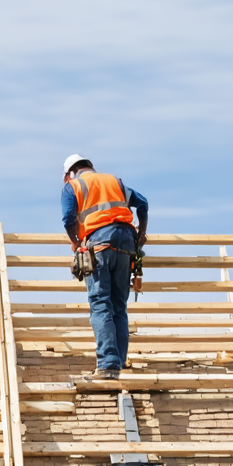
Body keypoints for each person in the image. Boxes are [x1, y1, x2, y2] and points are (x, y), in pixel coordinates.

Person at [61, 155, 149, 379]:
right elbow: (143, 203)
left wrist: (77, 243)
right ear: (90, 167)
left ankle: (108, 365)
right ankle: (118, 362)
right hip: (126, 244)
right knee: (119, 305)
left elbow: (68, 219)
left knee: (101, 304)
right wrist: (140, 235)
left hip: (99, 245)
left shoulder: (73, 186)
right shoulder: (114, 182)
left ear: (70, 173)